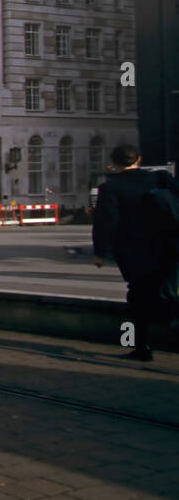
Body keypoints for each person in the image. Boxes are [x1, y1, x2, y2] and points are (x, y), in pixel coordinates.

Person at [93, 144, 179, 361]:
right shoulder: (159, 179)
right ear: (139, 159)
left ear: (114, 163)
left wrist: (100, 252)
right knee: (166, 290)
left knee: (138, 298)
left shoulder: (111, 188)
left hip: (134, 251)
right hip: (168, 247)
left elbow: (106, 222)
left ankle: (142, 347)